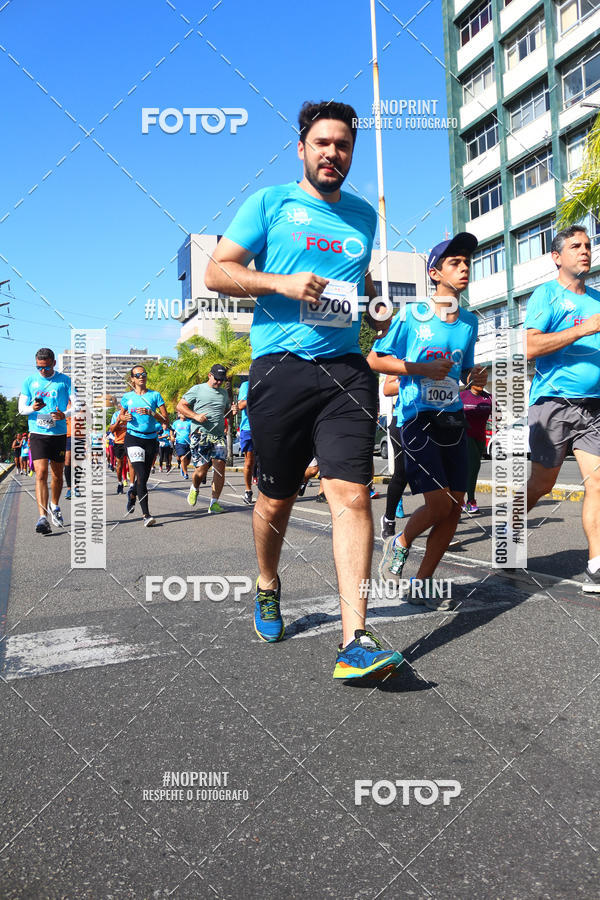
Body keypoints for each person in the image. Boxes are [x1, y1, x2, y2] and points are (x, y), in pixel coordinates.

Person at [204, 100, 403, 679]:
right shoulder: (271, 202)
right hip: (279, 368)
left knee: (352, 495)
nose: (332, 153)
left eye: (342, 145)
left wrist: (373, 308)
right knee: (277, 499)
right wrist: (282, 283)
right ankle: (267, 581)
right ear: (302, 148)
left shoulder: (364, 215)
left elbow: (355, 283)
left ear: (351, 152)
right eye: (322, 143)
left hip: (345, 371)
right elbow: (219, 271)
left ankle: (355, 639)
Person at [367, 233, 487, 609]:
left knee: (453, 507)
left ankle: (422, 583)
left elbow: (463, 372)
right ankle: (400, 543)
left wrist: (475, 379)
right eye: (455, 262)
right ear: (435, 273)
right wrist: (421, 369)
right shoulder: (412, 315)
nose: (464, 268)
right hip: (416, 418)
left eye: (467, 262)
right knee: (437, 505)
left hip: (453, 419)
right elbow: (375, 360)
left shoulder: (468, 322)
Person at [524, 225, 600, 592]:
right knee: (542, 483)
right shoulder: (547, 296)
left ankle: (596, 566)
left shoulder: (598, 299)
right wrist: (583, 330)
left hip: (594, 407)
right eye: (575, 246)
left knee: (598, 482)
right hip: (553, 403)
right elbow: (530, 347)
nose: (585, 250)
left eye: (588, 245)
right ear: (557, 257)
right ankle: (508, 532)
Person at [18, 348, 72, 534]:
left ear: (54, 363)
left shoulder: (65, 380)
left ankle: (55, 506)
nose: (43, 371)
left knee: (57, 474)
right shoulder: (29, 381)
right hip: (37, 433)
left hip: (58, 434)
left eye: (46, 367)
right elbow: (21, 409)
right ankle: (42, 518)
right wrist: (32, 407)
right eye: (39, 367)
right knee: (41, 473)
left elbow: (79, 404)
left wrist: (64, 414)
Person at [176, 364, 236, 514]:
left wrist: (233, 411)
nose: (218, 382)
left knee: (220, 467)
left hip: (218, 436)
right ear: (209, 375)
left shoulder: (223, 393)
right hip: (200, 433)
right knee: (201, 470)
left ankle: (214, 503)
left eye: (221, 380)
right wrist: (195, 416)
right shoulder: (198, 389)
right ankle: (194, 487)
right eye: (216, 379)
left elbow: (227, 413)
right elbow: (180, 406)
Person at [119, 365, 169, 526]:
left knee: (143, 479)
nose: (141, 377)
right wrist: (124, 417)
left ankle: (133, 492)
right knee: (140, 474)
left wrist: (151, 413)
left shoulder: (155, 395)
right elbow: (121, 415)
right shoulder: (127, 397)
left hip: (151, 440)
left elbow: (165, 419)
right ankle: (146, 515)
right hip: (133, 438)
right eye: (138, 375)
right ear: (132, 379)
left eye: (144, 374)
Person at [379, 376, 410, 539]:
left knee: (437, 475)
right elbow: (388, 389)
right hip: (404, 420)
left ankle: (441, 526)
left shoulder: (448, 352)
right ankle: (389, 519)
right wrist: (418, 379)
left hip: (436, 419)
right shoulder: (404, 352)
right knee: (402, 472)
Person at [460, 382, 493, 513]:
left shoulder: (489, 398)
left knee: (473, 468)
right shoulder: (462, 396)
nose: (481, 382)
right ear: (471, 381)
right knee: (473, 467)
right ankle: (470, 501)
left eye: (484, 379)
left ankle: (459, 500)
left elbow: (498, 415)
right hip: (465, 435)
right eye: (478, 379)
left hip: (481, 437)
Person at [236, 379, 255, 505]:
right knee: (249, 462)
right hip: (248, 429)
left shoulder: (271, 382)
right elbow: (241, 405)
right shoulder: (246, 385)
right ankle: (248, 491)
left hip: (266, 428)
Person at [109, 405, 129, 493]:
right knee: (120, 465)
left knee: (132, 464)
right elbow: (112, 430)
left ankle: (132, 485)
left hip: (130, 442)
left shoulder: (131, 414)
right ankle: (120, 483)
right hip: (119, 443)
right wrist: (118, 421)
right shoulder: (116, 415)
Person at [171, 412, 191, 479]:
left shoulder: (190, 422)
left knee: (187, 462)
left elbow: (194, 430)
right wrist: (172, 436)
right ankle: (186, 473)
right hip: (179, 443)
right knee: (183, 458)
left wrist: (191, 434)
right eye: (182, 413)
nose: (184, 415)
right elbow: (171, 430)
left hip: (189, 443)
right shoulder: (176, 423)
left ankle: (183, 467)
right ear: (180, 415)